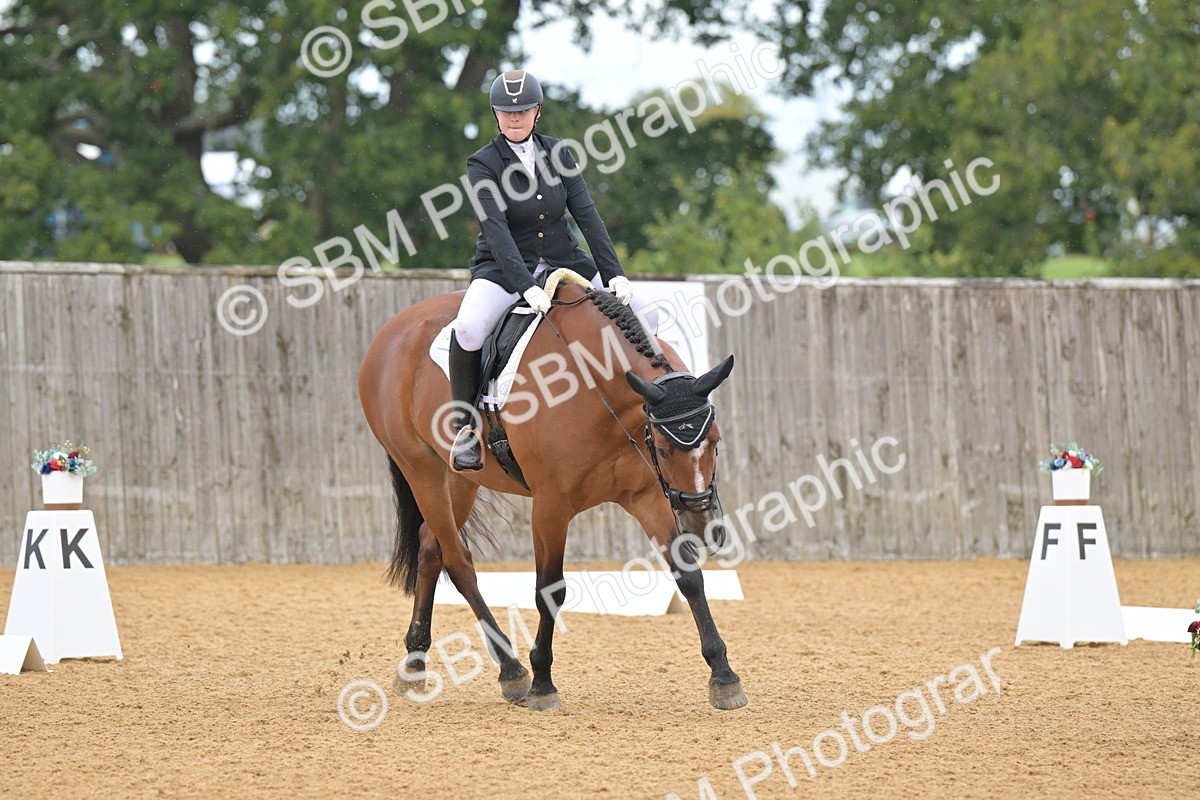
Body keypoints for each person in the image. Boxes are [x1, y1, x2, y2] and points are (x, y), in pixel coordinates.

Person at [447, 69, 658, 472]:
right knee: (469, 328)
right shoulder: (482, 163)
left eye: (522, 110)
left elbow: (587, 214)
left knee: (649, 312)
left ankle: (640, 402)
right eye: (506, 111)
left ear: (537, 112)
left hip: (567, 262)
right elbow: (496, 231)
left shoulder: (559, 153)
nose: (514, 118)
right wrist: (526, 287)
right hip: (505, 269)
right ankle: (465, 426)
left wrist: (614, 273)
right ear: (495, 114)